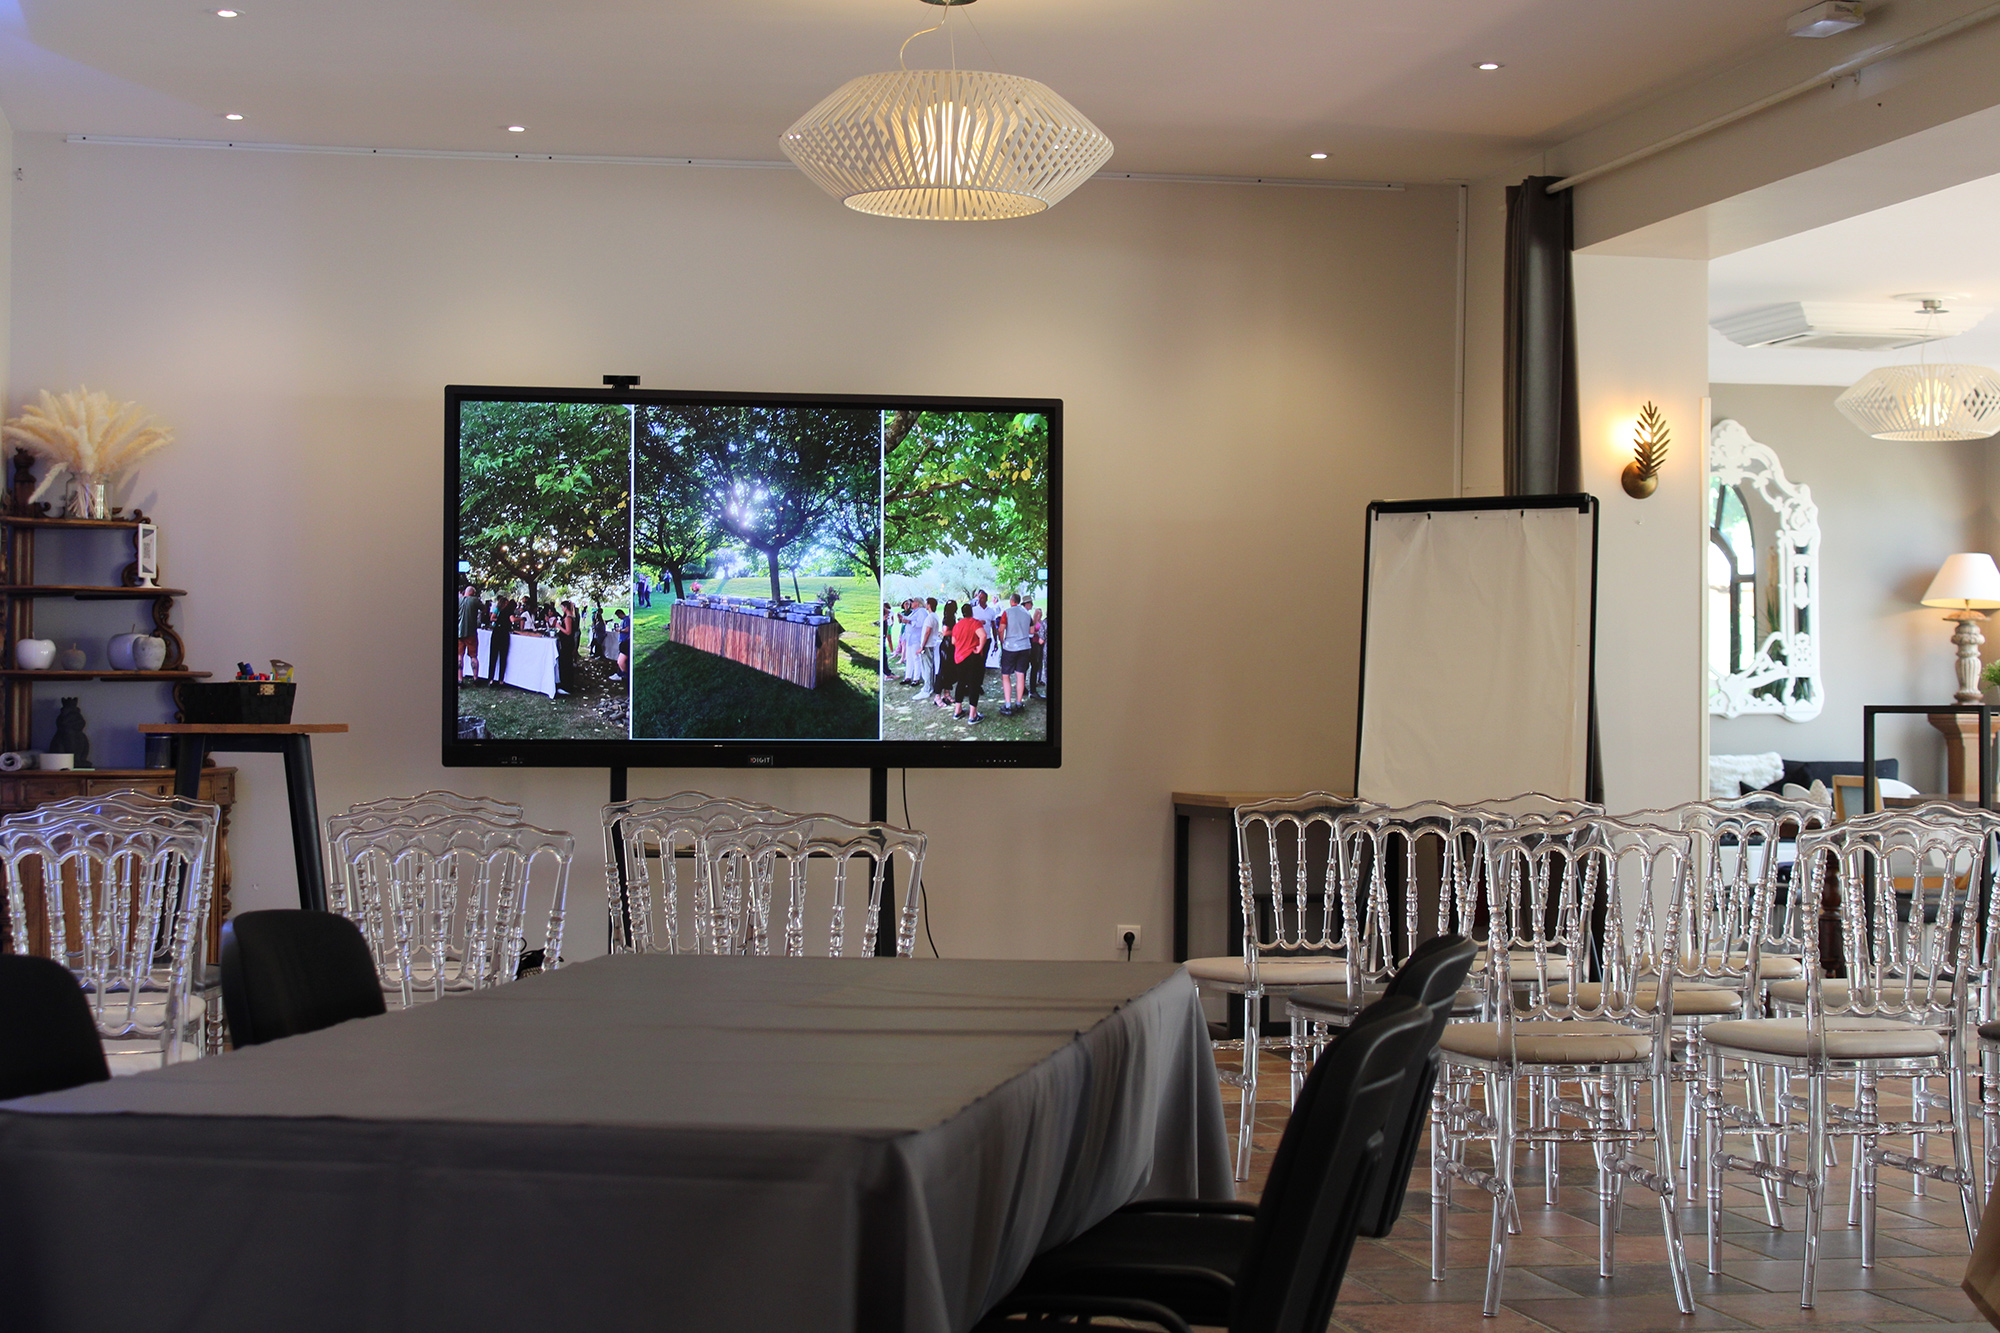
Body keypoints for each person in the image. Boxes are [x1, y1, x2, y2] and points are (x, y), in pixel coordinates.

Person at [949, 604, 989, 724]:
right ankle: (973, 715)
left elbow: (953, 641)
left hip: (959, 657)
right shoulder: (975, 622)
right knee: (974, 684)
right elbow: (983, 635)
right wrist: (979, 647)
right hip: (972, 656)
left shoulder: (957, 625)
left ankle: (957, 711)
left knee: (961, 683)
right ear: (971, 612)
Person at [995, 592, 1034, 715]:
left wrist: (1002, 641)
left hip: (1010, 647)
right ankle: (1019, 703)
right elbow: (1031, 631)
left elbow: (1001, 629)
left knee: (1006, 675)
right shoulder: (1027, 613)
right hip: (1025, 646)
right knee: (1020, 675)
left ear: (1011, 601)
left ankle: (1008, 704)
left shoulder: (1007, 612)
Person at [933, 600, 960, 709]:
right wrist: (957, 630)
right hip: (946, 647)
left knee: (950, 670)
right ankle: (937, 696)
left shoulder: (952, 618)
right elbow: (945, 632)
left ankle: (947, 693)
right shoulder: (947, 619)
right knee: (943, 671)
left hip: (951, 647)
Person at [903, 597, 934, 691]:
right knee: (909, 657)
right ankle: (908, 676)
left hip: (916, 638)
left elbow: (920, 624)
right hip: (910, 638)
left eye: (912, 602)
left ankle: (916, 678)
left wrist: (908, 621)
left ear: (917, 603)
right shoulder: (914, 611)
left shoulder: (922, 612)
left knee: (916, 658)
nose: (911, 603)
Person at [486, 594, 517, 685]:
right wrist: (521, 618)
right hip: (504, 633)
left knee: (493, 656)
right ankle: (501, 680)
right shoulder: (509, 611)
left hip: (496, 632)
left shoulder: (500, 610)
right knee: (503, 657)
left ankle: (490, 678)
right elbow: (512, 620)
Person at [456, 583, 481, 682]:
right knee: (473, 656)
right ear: (473, 593)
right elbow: (484, 609)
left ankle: (460, 679)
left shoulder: (459, 600)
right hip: (471, 632)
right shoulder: (475, 600)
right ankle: (475, 678)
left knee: (459, 655)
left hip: (459, 632)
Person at [556, 600, 580, 694]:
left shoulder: (568, 618)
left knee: (565, 663)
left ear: (565, 608)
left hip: (567, 643)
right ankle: (566, 684)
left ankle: (566, 686)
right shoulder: (572, 617)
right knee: (566, 662)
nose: (562, 609)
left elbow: (568, 632)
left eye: (562, 607)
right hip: (568, 643)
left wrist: (559, 626)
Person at [1027, 604, 1046, 699]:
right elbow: (1031, 631)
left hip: (1040, 644)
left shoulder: (1042, 622)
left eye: (1041, 613)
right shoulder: (1033, 621)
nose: (1040, 615)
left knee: (1039, 663)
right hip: (1034, 643)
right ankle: (1032, 688)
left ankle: (1038, 680)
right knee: (1035, 663)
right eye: (1038, 613)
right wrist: (1038, 633)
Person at [612, 609, 631, 682]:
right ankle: (622, 673)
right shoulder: (624, 620)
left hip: (625, 642)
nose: (618, 617)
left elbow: (627, 630)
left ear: (620, 614)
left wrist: (619, 630)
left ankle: (624, 674)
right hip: (623, 641)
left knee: (621, 661)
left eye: (618, 615)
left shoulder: (626, 620)